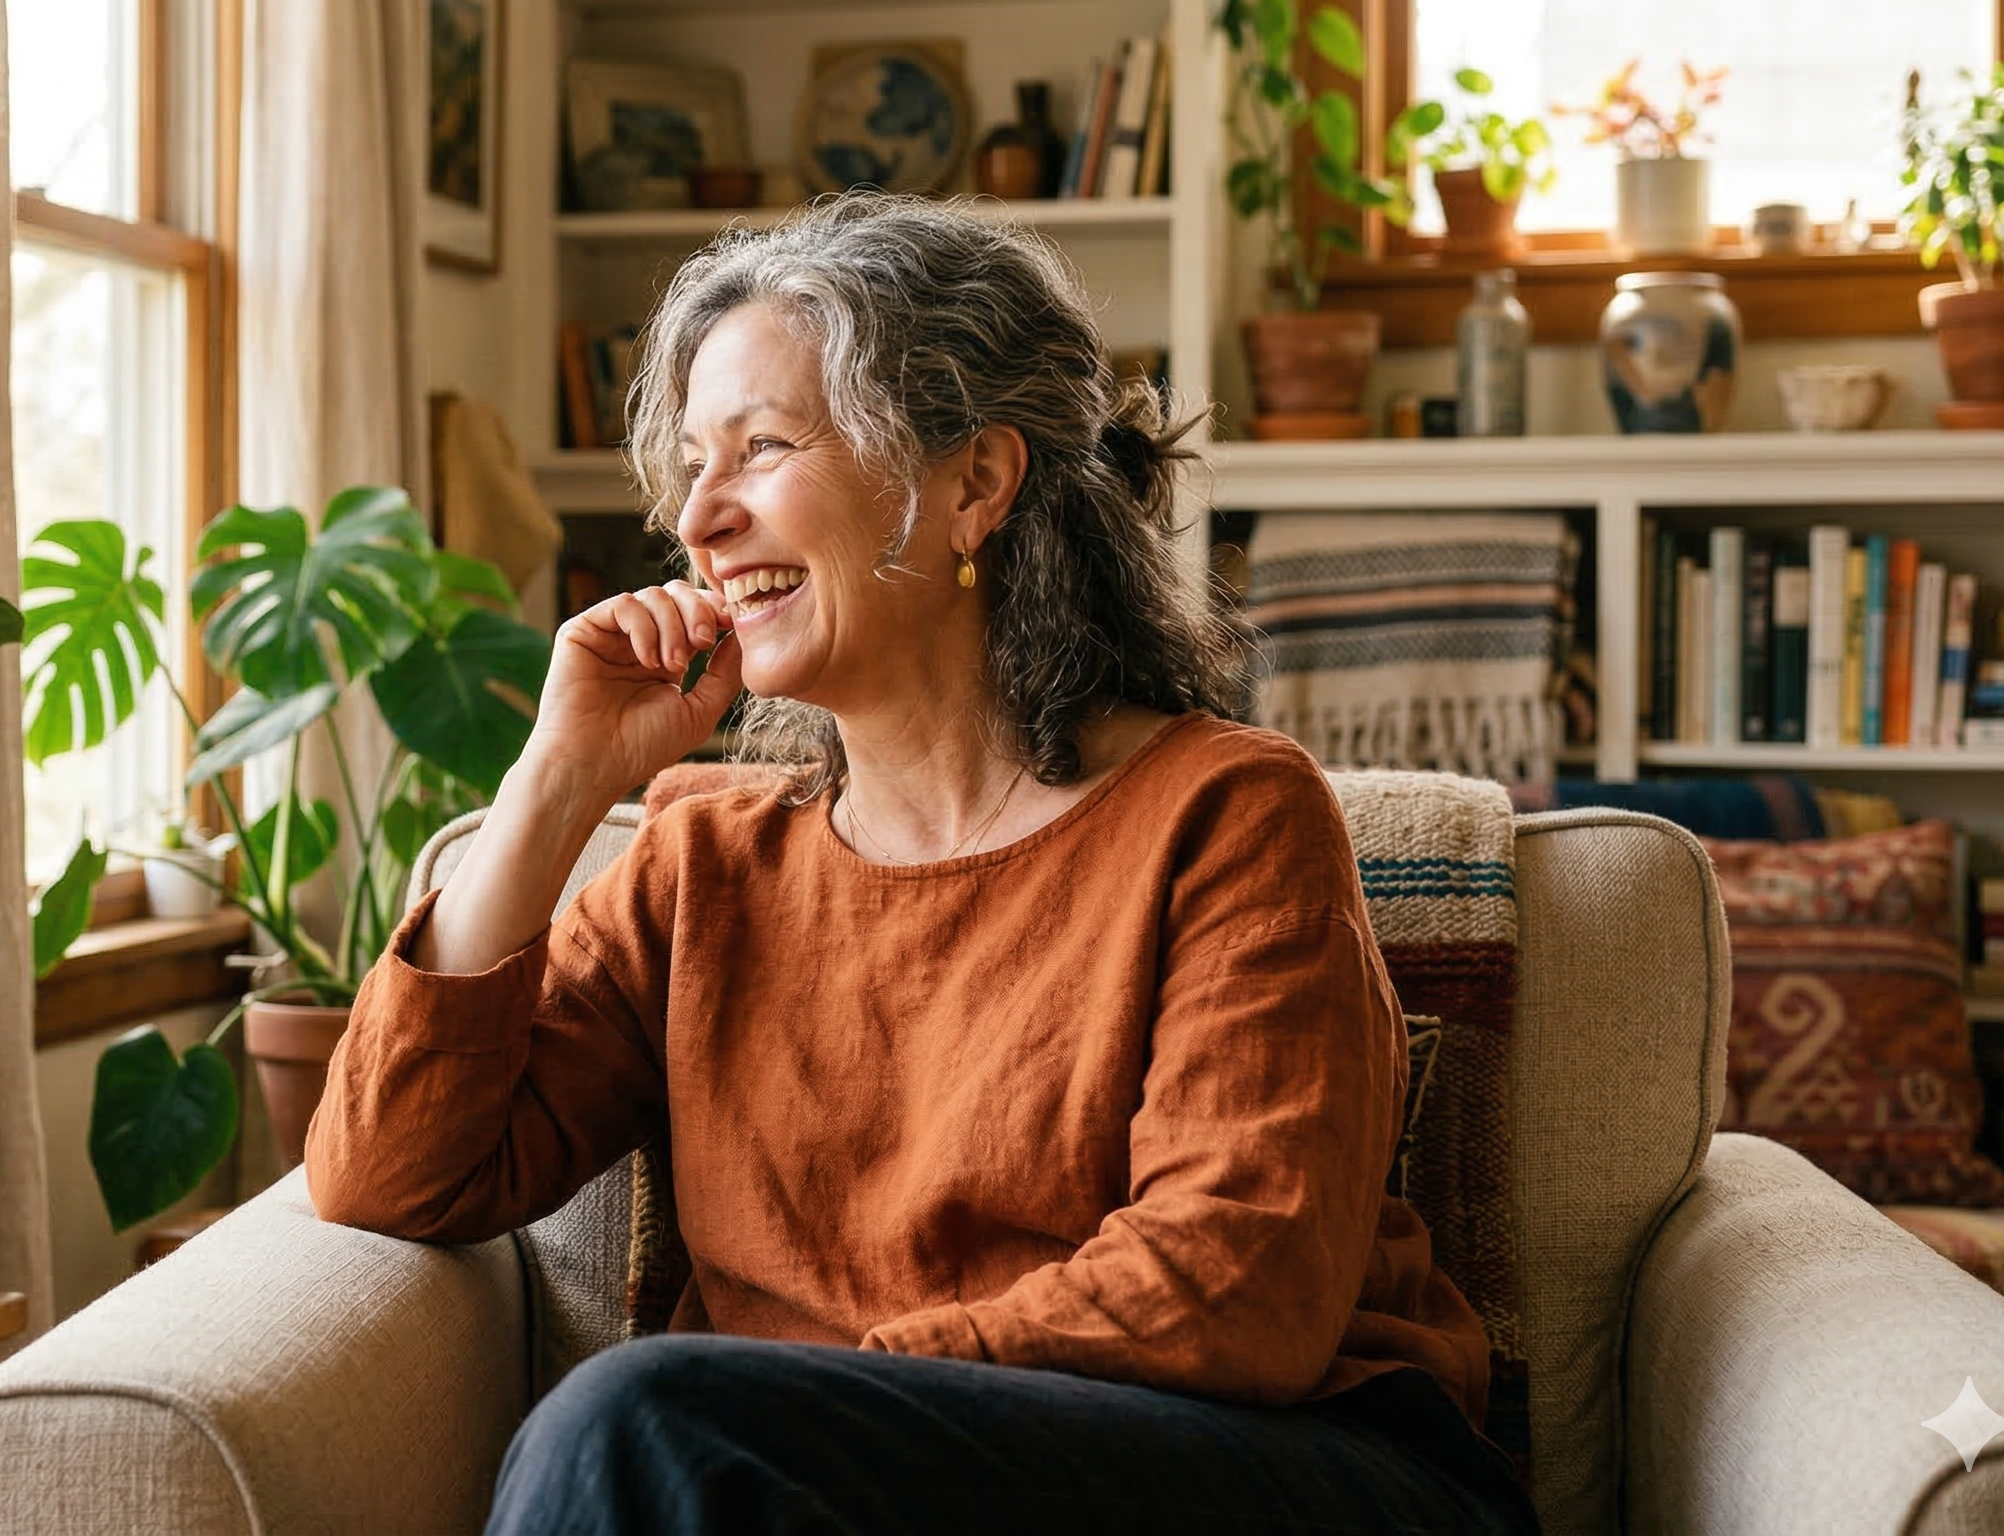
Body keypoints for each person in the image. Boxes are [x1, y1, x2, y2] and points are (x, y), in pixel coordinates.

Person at [304, 193, 1539, 1535]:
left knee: (634, 1426)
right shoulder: (701, 861)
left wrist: (793, 1411)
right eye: (691, 469)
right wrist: (553, 782)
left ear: (973, 485)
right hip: (820, 1484)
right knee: (654, 1432)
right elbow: (393, 1177)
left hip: (1272, 1463)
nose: (700, 521)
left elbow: (1234, 1289)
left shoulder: (1226, 814)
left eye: (762, 449)